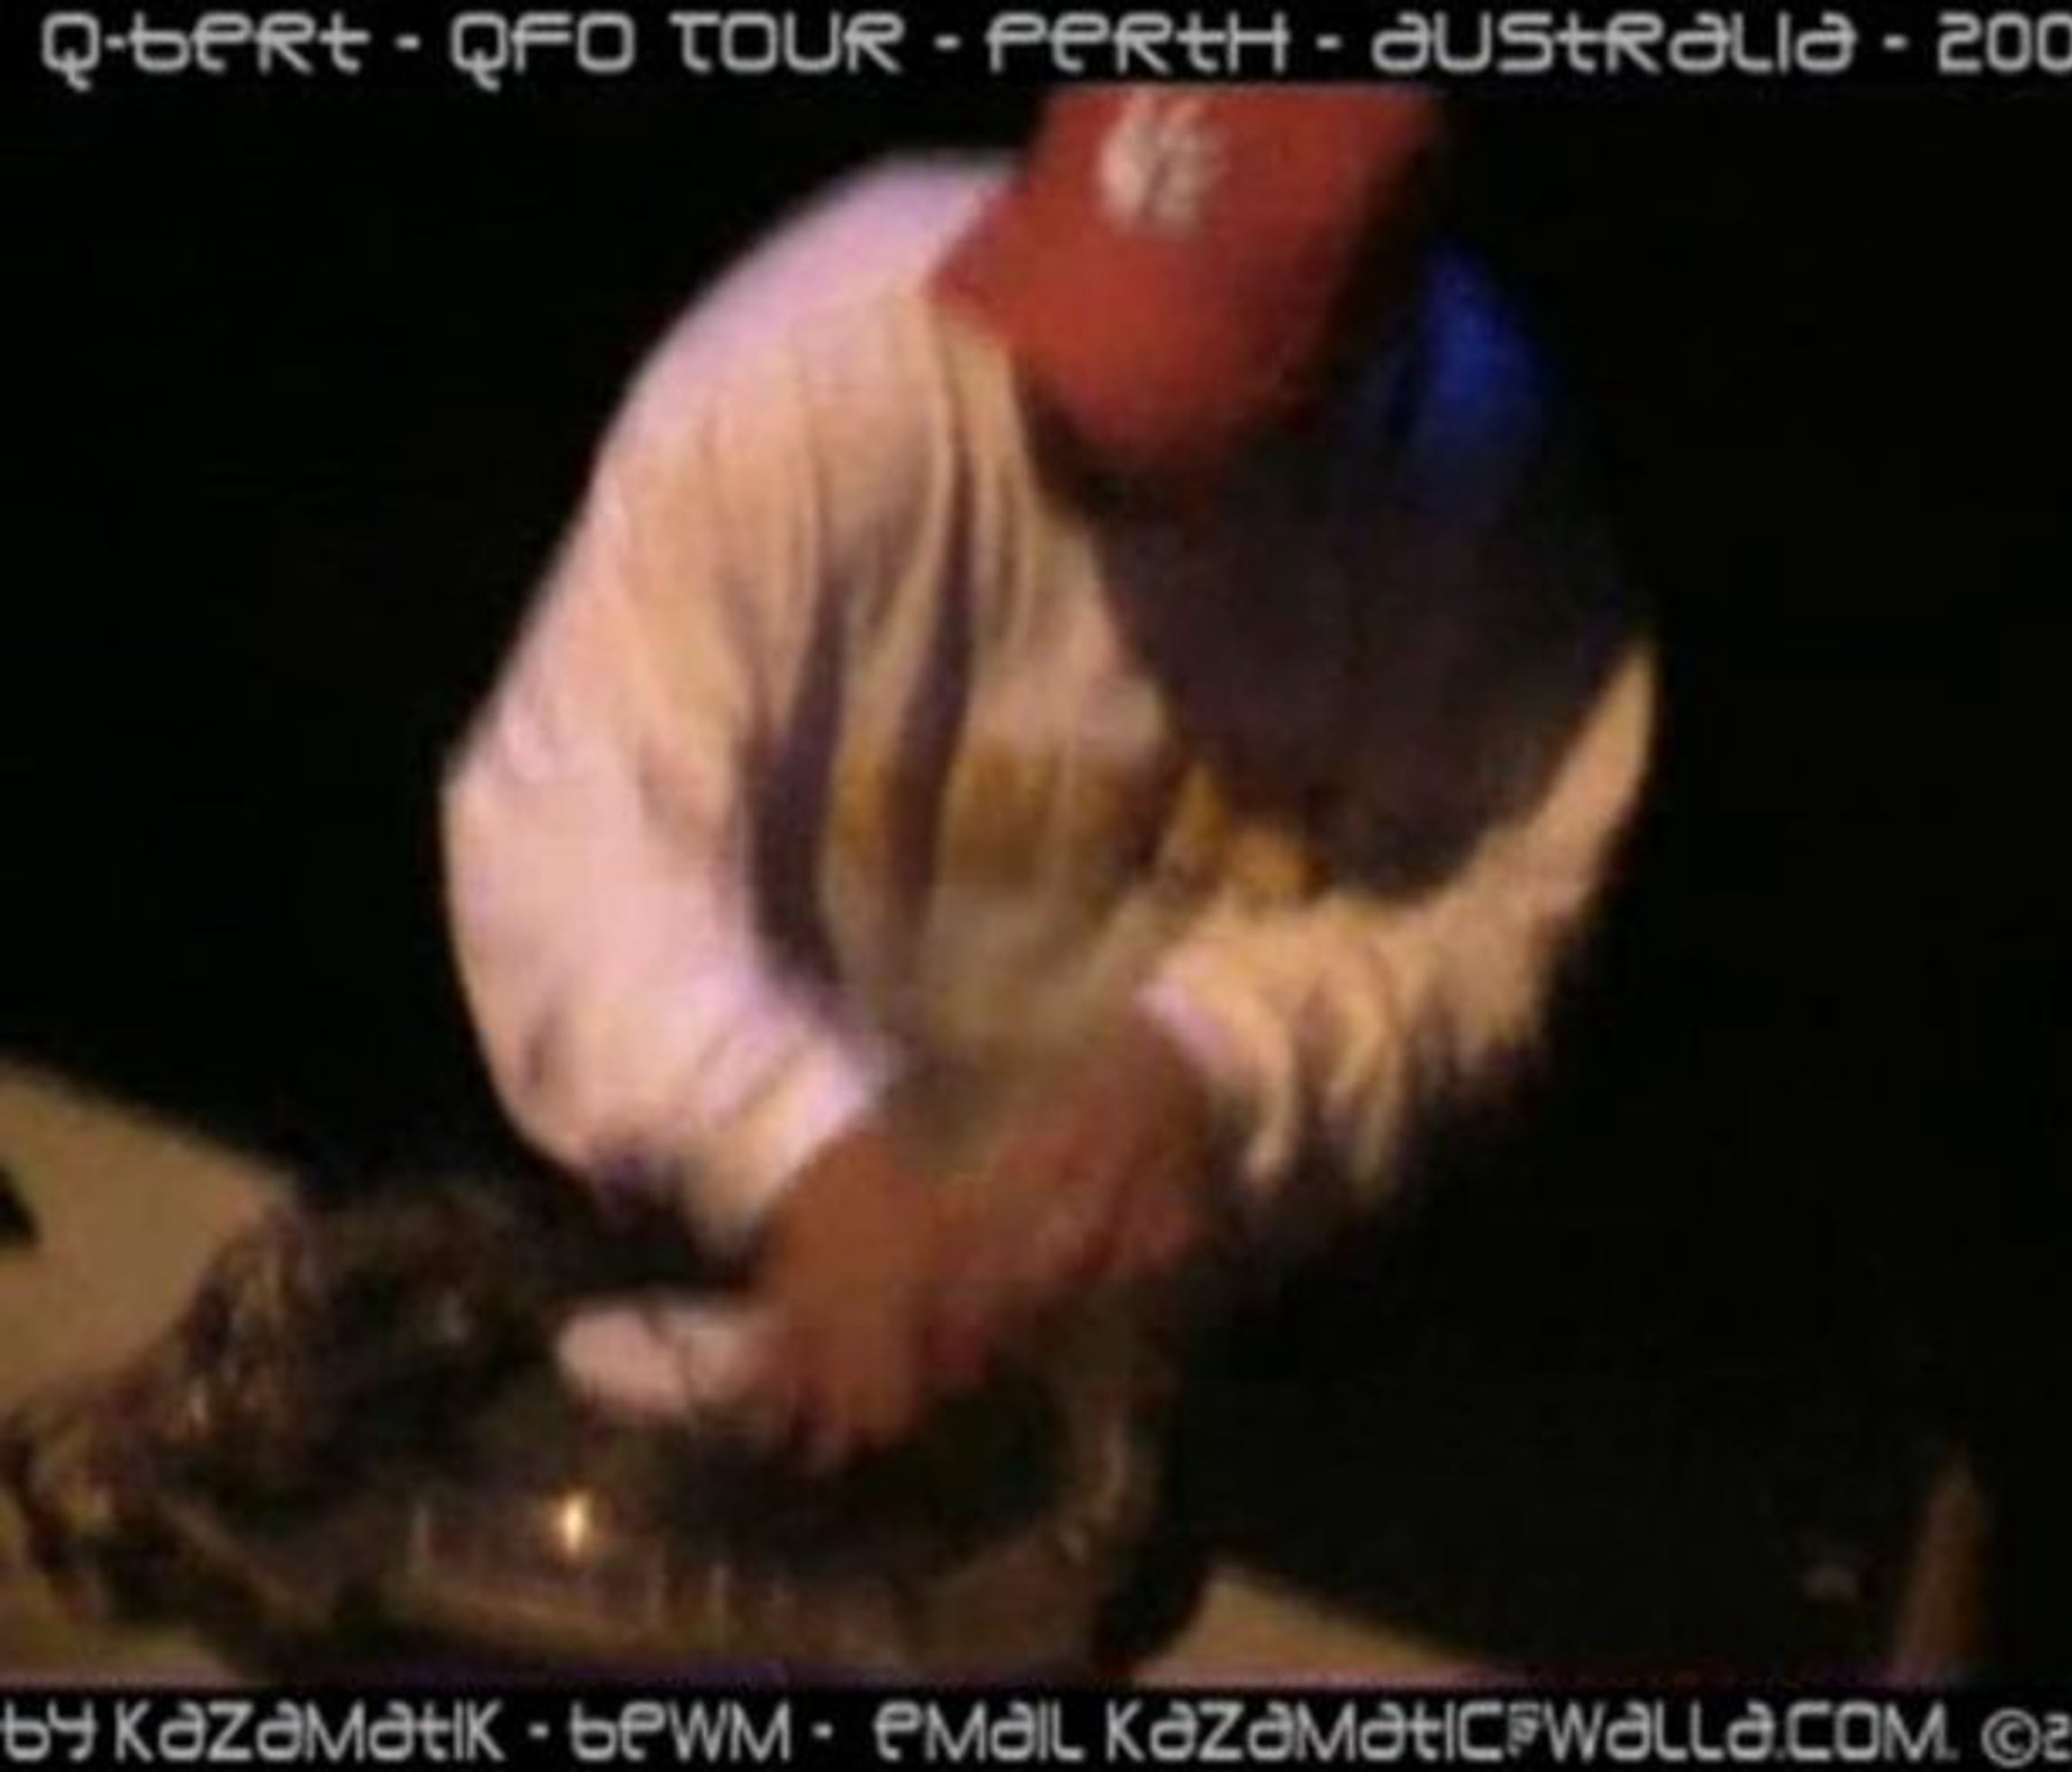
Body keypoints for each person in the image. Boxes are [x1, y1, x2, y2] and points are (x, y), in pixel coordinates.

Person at [440, 88, 1656, 1474]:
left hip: (1195, 1356)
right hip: (736, 1271)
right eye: (1070, 302)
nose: (1075, 410)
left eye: (1175, 391)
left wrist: (1227, 1062)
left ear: (1366, 362)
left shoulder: (1471, 485)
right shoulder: (808, 376)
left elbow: (1498, 901)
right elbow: (567, 829)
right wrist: (792, 1142)